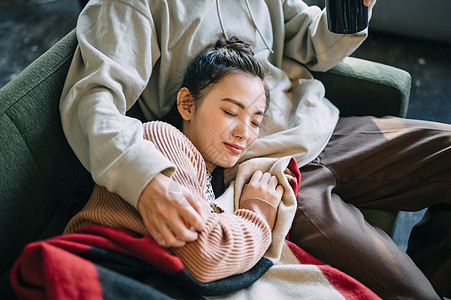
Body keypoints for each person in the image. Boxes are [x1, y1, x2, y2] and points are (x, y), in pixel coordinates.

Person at [59, 0, 449, 298]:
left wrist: (351, 10)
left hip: (320, 126)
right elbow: (91, 101)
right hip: (259, 171)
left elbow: (313, 44)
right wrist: (145, 180)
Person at [64, 36, 287, 283]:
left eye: (255, 122)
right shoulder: (160, 138)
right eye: (230, 112)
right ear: (187, 105)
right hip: (97, 272)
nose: (245, 133)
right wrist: (259, 212)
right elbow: (207, 256)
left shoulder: (213, 179)